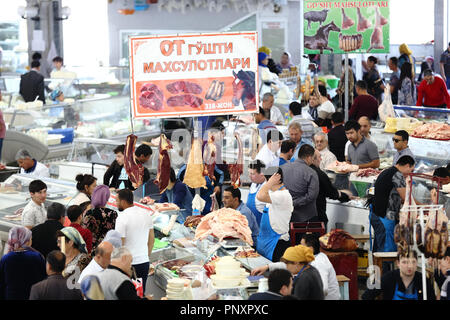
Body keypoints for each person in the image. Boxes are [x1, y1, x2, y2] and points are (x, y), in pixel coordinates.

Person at [251, 234, 339, 300]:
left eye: (301, 245)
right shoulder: (307, 267)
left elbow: (324, 289)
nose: (285, 267)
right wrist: (267, 267)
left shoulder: (317, 265)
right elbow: (286, 265)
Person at [371, 155, 415, 252]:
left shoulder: (387, 171)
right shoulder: (397, 175)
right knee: (387, 250)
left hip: (376, 214)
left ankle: (377, 267)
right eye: (411, 170)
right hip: (385, 217)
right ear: (407, 165)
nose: (410, 174)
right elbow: (405, 198)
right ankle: (385, 267)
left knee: (379, 247)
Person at [115, 189, 154, 293]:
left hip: (128, 265)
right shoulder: (146, 213)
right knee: (140, 294)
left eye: (117, 201)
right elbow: (151, 240)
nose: (116, 204)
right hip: (143, 262)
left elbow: (120, 244)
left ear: (123, 201)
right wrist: (146, 256)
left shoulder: (122, 218)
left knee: (127, 295)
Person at [362, 250, 436, 300]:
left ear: (417, 263)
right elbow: (366, 296)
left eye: (413, 262)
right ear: (398, 263)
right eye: (404, 262)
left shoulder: (423, 280)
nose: (409, 266)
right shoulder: (388, 278)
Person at [255, 168, 293, 262]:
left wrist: (269, 183)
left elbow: (260, 196)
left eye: (268, 179)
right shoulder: (273, 194)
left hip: (277, 243)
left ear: (278, 179)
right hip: (264, 241)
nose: (267, 182)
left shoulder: (283, 195)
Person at [0, 227, 46, 300]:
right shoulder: (37, 256)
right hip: (32, 295)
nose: (31, 241)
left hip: (11, 296)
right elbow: (43, 278)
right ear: (25, 241)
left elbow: (2, 283)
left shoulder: (6, 258)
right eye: (30, 239)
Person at [281, 144, 320, 228]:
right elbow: (312, 196)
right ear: (309, 157)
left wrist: (289, 202)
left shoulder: (282, 168)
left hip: (284, 215)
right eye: (313, 158)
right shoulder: (311, 172)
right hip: (305, 217)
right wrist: (295, 202)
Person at [311, 150, 350, 231]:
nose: (321, 159)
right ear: (312, 159)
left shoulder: (300, 170)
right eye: (319, 157)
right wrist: (345, 195)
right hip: (317, 215)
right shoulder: (320, 174)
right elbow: (331, 193)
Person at [83, 185, 118, 251]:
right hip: (107, 248)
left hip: (92, 248)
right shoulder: (113, 213)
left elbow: (85, 231)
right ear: (107, 198)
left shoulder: (90, 213)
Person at [246, 160, 267, 226]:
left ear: (262, 174)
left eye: (252, 174)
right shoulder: (253, 183)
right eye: (249, 173)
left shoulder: (267, 187)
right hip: (251, 223)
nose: (249, 176)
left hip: (261, 224)